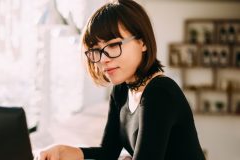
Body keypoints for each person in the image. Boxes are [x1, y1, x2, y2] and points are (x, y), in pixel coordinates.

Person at [35, 0, 206, 159]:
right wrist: (63, 150)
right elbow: (108, 152)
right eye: (96, 50)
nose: (103, 59)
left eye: (113, 45)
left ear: (143, 42)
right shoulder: (122, 90)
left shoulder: (159, 92)